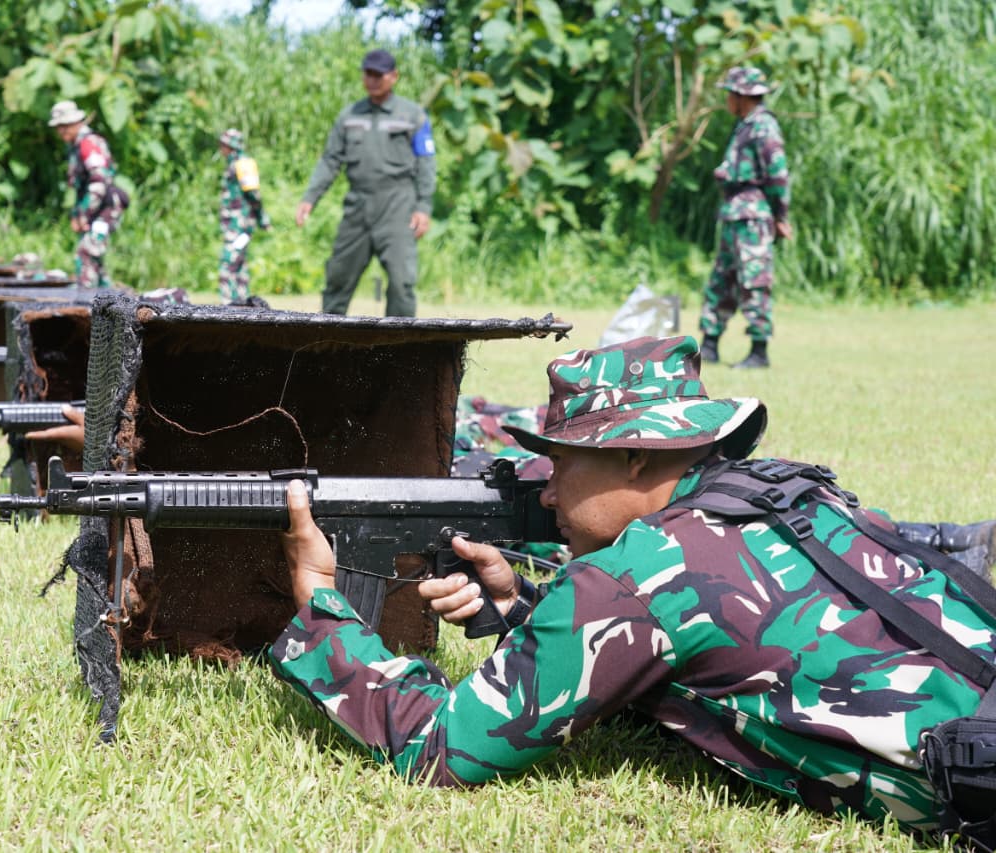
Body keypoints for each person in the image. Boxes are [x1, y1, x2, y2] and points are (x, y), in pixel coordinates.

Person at [271, 335, 996, 841]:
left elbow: (441, 749)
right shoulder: (783, 490)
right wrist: (523, 607)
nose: (549, 494)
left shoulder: (640, 573)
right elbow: (720, 650)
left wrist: (320, 602)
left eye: (562, 464)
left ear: (633, 456)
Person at [294, 49, 436, 318]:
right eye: (367, 74)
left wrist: (423, 207)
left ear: (393, 76)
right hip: (358, 206)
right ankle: (328, 345)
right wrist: (309, 197)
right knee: (337, 278)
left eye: (378, 75)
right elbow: (330, 161)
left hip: (398, 206)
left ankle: (400, 349)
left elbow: (426, 163)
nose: (371, 80)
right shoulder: (349, 116)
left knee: (401, 282)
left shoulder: (412, 115)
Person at [699, 66, 792, 369]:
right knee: (722, 280)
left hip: (753, 217)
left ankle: (759, 351)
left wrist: (781, 216)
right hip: (734, 213)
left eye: (730, 94)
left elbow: (778, 176)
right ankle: (709, 345)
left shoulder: (764, 127)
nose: (726, 100)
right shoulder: (745, 125)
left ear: (742, 96)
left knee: (754, 281)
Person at [49, 100, 128, 288]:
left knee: (87, 252)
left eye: (65, 126)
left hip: (106, 208)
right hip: (94, 209)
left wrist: (84, 213)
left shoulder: (88, 144)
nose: (62, 131)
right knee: (95, 259)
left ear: (77, 123)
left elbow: (99, 181)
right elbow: (79, 187)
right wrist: (76, 214)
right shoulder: (75, 147)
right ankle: (107, 301)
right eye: (59, 127)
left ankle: (85, 302)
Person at [217, 129, 271, 305]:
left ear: (231, 146)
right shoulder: (233, 163)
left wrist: (263, 219)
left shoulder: (243, 164)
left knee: (228, 264)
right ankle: (241, 304)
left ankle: (228, 304)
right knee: (239, 265)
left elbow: (254, 194)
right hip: (234, 225)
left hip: (239, 225)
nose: (221, 148)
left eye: (224, 144)